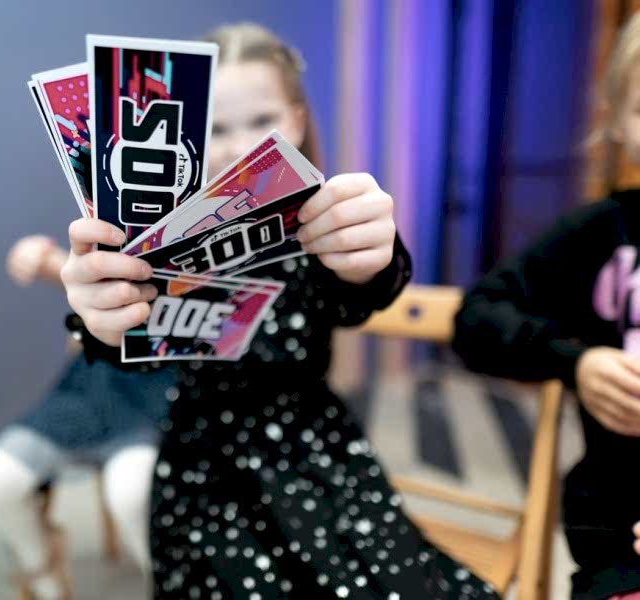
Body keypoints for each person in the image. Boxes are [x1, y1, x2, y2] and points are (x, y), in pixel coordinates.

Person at [60, 22, 498, 600]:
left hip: (318, 454)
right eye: (216, 128)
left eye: (261, 121)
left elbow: (359, 297)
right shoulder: (158, 242)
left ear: (296, 119)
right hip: (203, 468)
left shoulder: (322, 228)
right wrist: (100, 320)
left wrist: (371, 257)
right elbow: (130, 351)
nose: (239, 146)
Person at [453, 12, 640, 600]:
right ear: (615, 120)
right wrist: (577, 362)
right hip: (616, 542)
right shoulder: (598, 232)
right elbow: (477, 318)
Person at [0, 234, 176, 600]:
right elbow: (91, 274)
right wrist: (45, 256)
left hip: (150, 400)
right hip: (84, 391)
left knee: (132, 491)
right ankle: (47, 581)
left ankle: (172, 582)